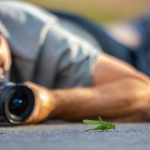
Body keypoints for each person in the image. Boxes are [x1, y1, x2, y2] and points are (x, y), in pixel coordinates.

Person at [0, 1, 150, 124]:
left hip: (83, 38)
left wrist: (50, 104)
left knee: (133, 54)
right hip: (56, 22)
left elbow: (144, 93)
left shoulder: (41, 38)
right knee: (124, 34)